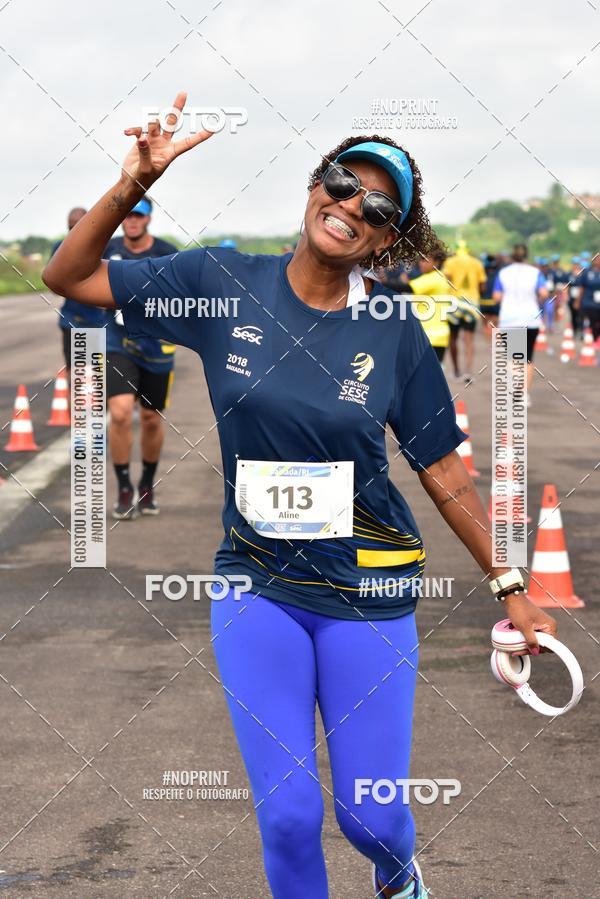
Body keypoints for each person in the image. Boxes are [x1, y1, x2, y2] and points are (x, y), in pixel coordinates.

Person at [43, 92, 557, 899]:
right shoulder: (217, 281)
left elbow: (446, 473)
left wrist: (512, 587)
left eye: (376, 205)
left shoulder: (392, 326)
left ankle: (400, 874)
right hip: (258, 585)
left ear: (387, 237)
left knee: (370, 817)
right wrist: (128, 184)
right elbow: (66, 274)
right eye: (339, 182)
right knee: (286, 816)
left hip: (371, 587)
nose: (351, 204)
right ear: (312, 186)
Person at [103, 197, 178, 519]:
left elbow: (184, 295)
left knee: (150, 418)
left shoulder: (165, 252)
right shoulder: (108, 250)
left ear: (148, 219)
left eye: (138, 215)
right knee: (119, 414)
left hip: (155, 348)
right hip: (117, 342)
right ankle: (123, 486)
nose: (132, 220)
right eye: (128, 215)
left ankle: (146, 484)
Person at [50, 207, 106, 376]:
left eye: (79, 226)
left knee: (97, 377)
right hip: (72, 322)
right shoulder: (60, 248)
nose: (73, 232)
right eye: (70, 227)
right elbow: (54, 283)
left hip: (99, 323)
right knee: (76, 377)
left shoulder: (103, 246)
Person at [493, 244, 548, 404]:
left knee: (512, 357)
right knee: (528, 358)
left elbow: (496, 296)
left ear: (512, 256)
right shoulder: (535, 272)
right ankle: (524, 394)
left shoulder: (503, 273)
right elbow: (544, 293)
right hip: (530, 318)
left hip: (509, 319)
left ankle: (516, 385)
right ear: (526, 256)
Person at [442, 240, 486, 383]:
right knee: (468, 340)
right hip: (471, 303)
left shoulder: (450, 262)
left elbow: (445, 281)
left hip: (454, 302)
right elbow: (482, 287)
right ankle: (468, 372)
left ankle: (456, 371)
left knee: (453, 337)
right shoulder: (477, 263)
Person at [407, 249, 452, 362]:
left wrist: (374, 283)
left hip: (431, 336)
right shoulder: (437, 276)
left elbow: (405, 287)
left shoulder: (434, 278)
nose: (421, 263)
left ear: (436, 262)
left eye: (425, 260)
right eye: (420, 260)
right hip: (434, 336)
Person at [573, 252, 600, 345]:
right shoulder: (587, 272)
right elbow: (581, 288)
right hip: (588, 302)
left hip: (598, 304)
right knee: (589, 320)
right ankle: (589, 337)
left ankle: (596, 338)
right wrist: (577, 300)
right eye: (597, 259)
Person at [567, 256, 584, 337]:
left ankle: (581, 331)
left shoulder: (582, 274)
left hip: (580, 298)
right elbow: (567, 286)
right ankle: (574, 331)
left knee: (580, 315)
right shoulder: (569, 274)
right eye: (574, 264)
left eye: (577, 264)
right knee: (573, 315)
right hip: (571, 298)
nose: (575, 265)